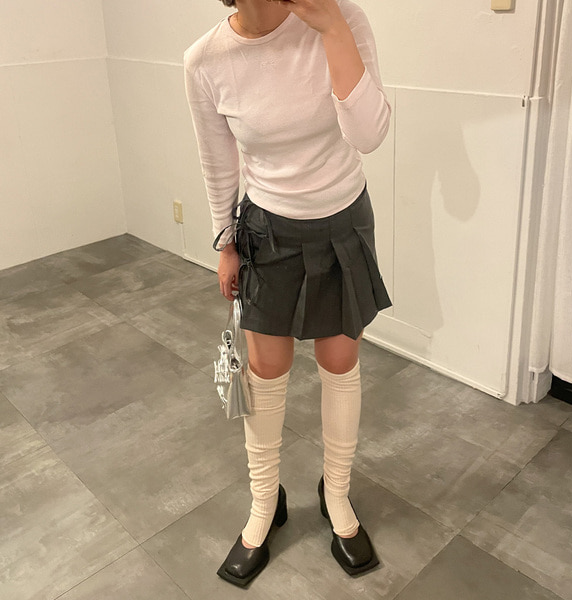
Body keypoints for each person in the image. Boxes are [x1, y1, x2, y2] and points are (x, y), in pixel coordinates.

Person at [184, 0, 392, 588]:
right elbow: (218, 161)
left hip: (343, 221)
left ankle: (338, 493)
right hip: (266, 231)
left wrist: (331, 27)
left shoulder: (340, 16)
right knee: (264, 369)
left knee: (339, 361)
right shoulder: (205, 60)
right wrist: (226, 243)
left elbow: (370, 134)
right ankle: (263, 502)